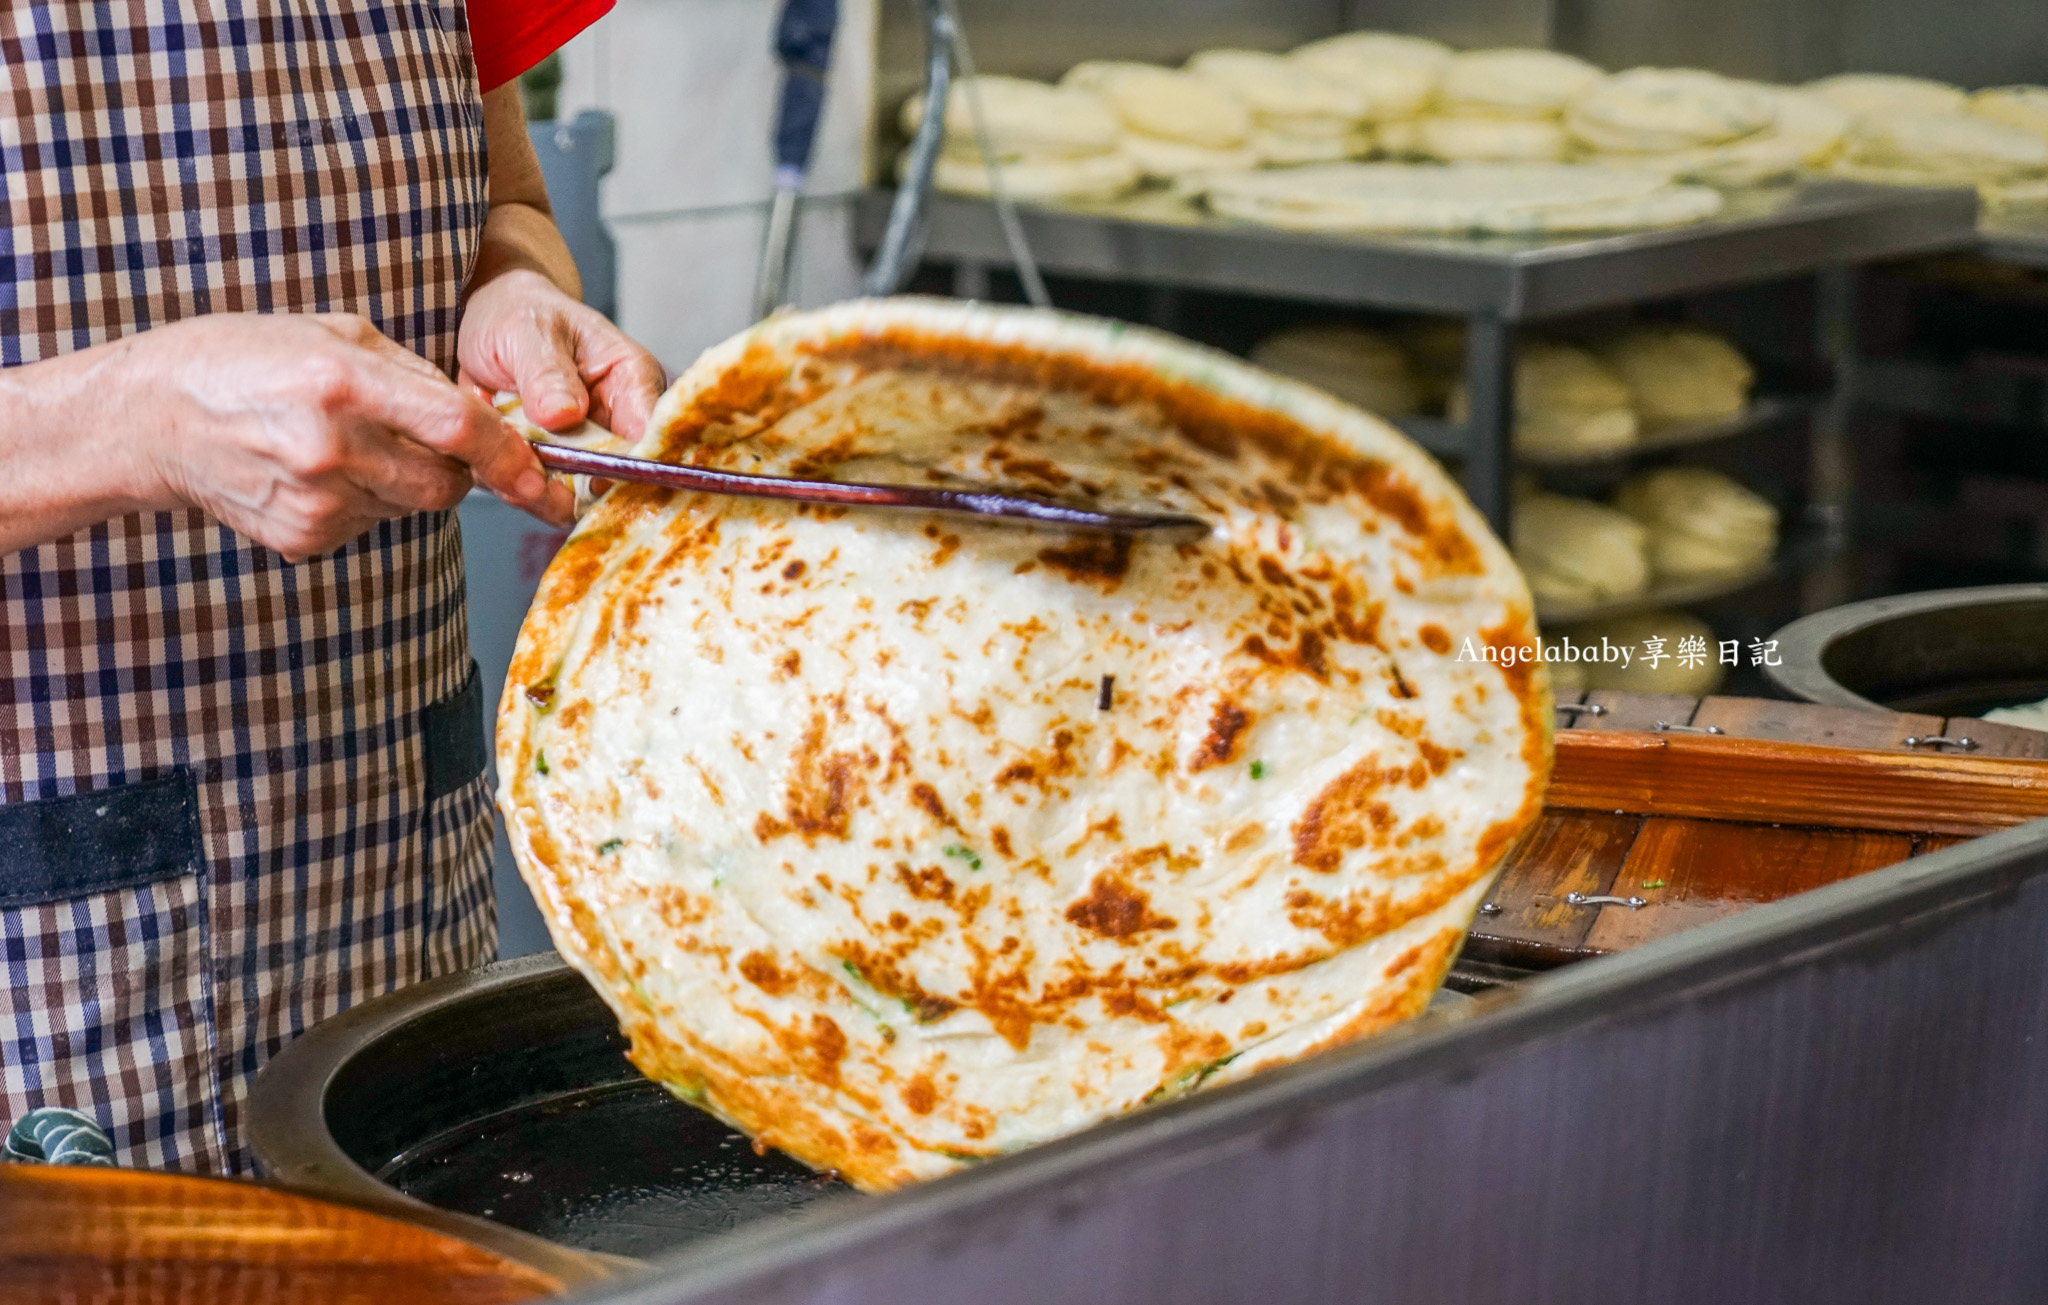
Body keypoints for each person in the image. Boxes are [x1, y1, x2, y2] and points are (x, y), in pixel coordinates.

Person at [0, 0, 663, 1173]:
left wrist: (514, 289)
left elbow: (503, 202)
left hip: (392, 923)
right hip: (40, 985)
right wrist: (133, 421)